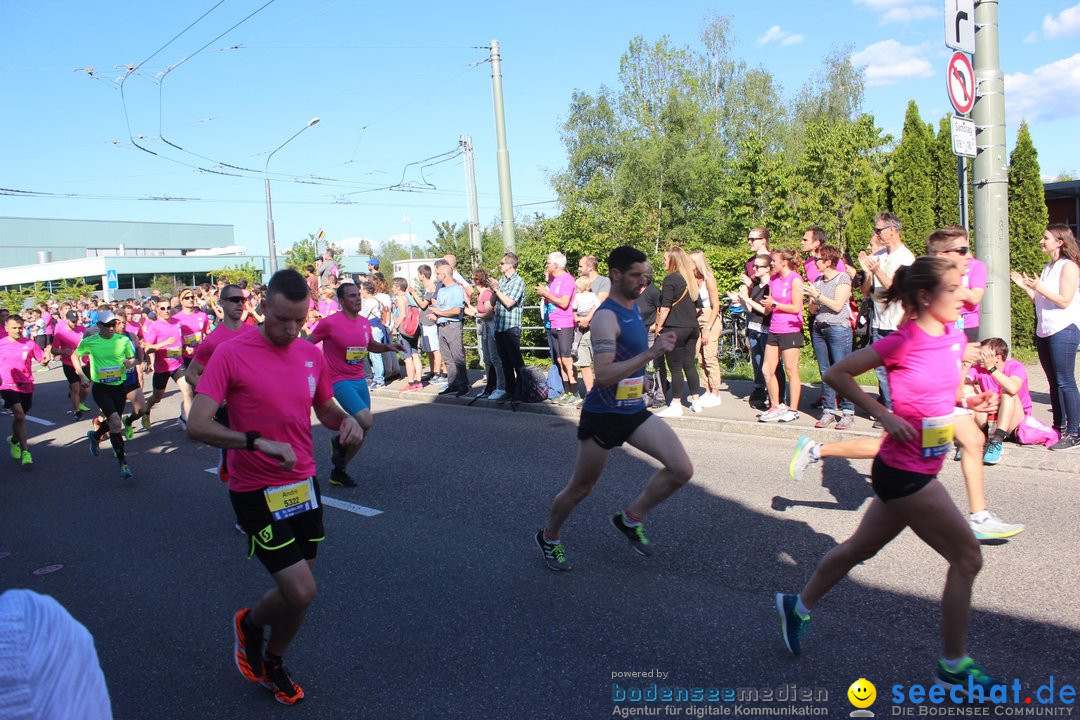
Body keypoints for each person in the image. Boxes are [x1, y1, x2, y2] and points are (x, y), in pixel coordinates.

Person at [776, 255, 1004, 696]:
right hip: (906, 473)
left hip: (916, 467)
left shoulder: (954, 338)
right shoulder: (901, 342)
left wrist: (967, 404)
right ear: (925, 296)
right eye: (955, 289)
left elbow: (942, 389)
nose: (965, 295)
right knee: (967, 558)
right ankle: (953, 665)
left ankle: (797, 606)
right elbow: (835, 373)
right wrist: (883, 413)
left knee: (858, 548)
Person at [187, 269, 363, 706]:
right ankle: (255, 634)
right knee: (301, 590)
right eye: (281, 319)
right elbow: (197, 424)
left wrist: (347, 421)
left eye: (298, 321)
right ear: (263, 306)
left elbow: (323, 406)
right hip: (254, 490)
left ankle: (271, 654)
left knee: (297, 593)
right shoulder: (231, 353)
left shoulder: (309, 353)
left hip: (302, 483)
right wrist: (253, 441)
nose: (289, 330)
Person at [536, 245, 689, 571]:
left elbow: (625, 364)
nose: (642, 281)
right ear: (616, 275)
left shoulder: (634, 308)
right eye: (636, 275)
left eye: (645, 275)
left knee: (681, 469)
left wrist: (641, 380)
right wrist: (651, 354)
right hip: (604, 415)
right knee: (581, 488)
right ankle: (549, 537)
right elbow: (603, 375)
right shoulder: (607, 316)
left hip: (632, 410)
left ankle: (631, 519)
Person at [308, 281, 405, 487]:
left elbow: (370, 346)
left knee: (363, 430)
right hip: (338, 380)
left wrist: (387, 347)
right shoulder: (330, 323)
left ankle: (339, 470)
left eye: (358, 295)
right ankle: (338, 444)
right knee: (366, 420)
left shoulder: (364, 322)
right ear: (341, 301)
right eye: (352, 296)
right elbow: (308, 344)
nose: (358, 298)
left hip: (359, 379)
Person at [1011, 224, 1080, 450]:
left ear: (1060, 242)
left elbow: (1064, 300)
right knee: (1053, 382)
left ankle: (1075, 432)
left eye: (1046, 238)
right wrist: (1027, 288)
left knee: (1065, 381)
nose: (1042, 241)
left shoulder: (1068, 266)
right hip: (1045, 329)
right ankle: (1058, 427)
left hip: (1064, 329)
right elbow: (1041, 301)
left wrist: (1039, 286)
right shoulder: (1048, 267)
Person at [186, 284, 250, 484]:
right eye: (234, 300)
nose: (239, 304)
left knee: (253, 445)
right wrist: (216, 396)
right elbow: (191, 374)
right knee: (241, 449)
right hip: (227, 405)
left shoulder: (253, 332)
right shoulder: (213, 341)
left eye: (242, 300)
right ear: (221, 304)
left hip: (251, 399)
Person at [861, 212, 916, 416]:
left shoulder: (906, 258)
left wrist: (877, 272)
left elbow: (898, 289)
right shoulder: (879, 256)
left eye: (879, 230)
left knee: (899, 369)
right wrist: (867, 273)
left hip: (897, 323)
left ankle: (898, 410)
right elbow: (866, 290)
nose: (876, 234)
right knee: (881, 370)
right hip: (879, 321)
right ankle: (888, 408)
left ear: (892, 230)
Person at [74, 311, 136, 479]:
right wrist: (82, 375)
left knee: (112, 423)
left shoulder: (122, 340)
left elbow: (132, 359)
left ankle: (95, 436)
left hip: (119, 387)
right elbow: (75, 356)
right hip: (101, 388)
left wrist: (129, 363)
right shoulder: (90, 341)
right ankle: (123, 463)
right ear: (99, 326)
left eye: (113, 324)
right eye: (107, 325)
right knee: (116, 422)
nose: (111, 328)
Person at [805, 245, 855, 429]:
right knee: (825, 372)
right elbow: (812, 310)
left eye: (818, 259)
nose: (815, 262)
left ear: (828, 261)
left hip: (838, 329)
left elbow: (837, 305)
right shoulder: (817, 281)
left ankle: (848, 411)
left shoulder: (843, 279)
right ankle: (828, 410)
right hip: (820, 328)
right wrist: (812, 299)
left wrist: (818, 296)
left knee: (842, 371)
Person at [965, 338, 1034, 465]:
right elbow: (959, 385)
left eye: (983, 354)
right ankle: (971, 436)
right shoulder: (978, 368)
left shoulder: (1015, 366)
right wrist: (966, 365)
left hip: (1015, 420)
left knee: (1007, 393)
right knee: (966, 388)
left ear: (997, 357)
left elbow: (1013, 388)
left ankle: (997, 441)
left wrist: (991, 368)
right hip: (990, 417)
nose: (980, 356)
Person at [730, 253, 782, 411]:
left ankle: (777, 397)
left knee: (771, 366)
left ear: (767, 269)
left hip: (766, 329)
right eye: (754, 266)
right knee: (758, 364)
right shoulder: (757, 286)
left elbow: (766, 311)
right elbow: (750, 309)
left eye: (758, 266)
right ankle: (763, 393)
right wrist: (742, 299)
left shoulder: (770, 287)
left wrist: (747, 298)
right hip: (753, 327)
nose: (754, 269)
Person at [655, 246, 702, 417]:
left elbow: (666, 306)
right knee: (689, 365)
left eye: (665, 259)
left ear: (673, 261)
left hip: (675, 328)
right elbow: (698, 307)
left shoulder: (670, 279)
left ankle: (676, 404)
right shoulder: (690, 279)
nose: (663, 262)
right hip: (692, 327)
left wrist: (659, 326)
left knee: (675, 368)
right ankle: (696, 401)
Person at [760, 249, 804, 423]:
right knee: (767, 369)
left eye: (774, 261)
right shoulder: (773, 280)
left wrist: (775, 304)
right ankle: (776, 405)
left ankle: (793, 410)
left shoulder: (795, 279)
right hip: (774, 328)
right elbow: (768, 307)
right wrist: (765, 306)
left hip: (790, 329)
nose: (772, 264)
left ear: (784, 262)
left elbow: (795, 308)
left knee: (791, 370)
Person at [1, 315, 48, 467]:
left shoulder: (29, 343)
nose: (18, 330)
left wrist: (45, 359)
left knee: (20, 417)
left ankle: (14, 440)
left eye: (20, 327)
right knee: (20, 416)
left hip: (26, 385)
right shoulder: (1, 344)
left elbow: (41, 358)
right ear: (6, 328)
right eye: (14, 327)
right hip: (7, 385)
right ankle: (26, 451)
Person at [925, 226, 985, 343]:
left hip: (966, 327)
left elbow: (975, 298)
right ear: (942, 255)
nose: (968, 256)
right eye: (961, 251)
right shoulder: (923, 283)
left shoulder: (976, 266)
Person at [142, 299, 189, 429]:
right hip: (162, 368)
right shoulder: (154, 326)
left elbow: (181, 341)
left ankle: (187, 420)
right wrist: (163, 344)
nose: (166, 310)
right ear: (157, 310)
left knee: (187, 391)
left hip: (178, 364)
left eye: (168, 307)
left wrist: (186, 348)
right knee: (157, 397)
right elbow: (147, 348)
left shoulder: (177, 323)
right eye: (162, 308)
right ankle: (146, 411)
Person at [537, 251, 577, 403]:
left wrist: (547, 294)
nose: (546, 265)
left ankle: (575, 392)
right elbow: (553, 302)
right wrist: (545, 297)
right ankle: (567, 392)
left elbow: (564, 303)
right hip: (553, 323)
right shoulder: (554, 281)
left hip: (565, 324)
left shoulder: (567, 279)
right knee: (559, 360)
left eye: (548, 263)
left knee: (567, 359)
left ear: (556, 264)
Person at [489, 252, 527, 402]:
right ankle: (510, 390)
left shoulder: (518, 281)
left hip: (511, 326)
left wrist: (497, 290)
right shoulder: (501, 281)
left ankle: (522, 391)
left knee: (516, 361)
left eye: (502, 263)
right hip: (499, 326)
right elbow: (493, 302)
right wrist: (493, 290)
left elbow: (510, 302)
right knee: (505, 362)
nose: (500, 265)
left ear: (510, 265)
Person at [690, 249, 722, 408]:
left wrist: (708, 328)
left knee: (710, 356)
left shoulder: (709, 279)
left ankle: (716, 393)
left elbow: (716, 306)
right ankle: (707, 390)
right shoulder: (692, 280)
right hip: (698, 318)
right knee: (700, 356)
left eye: (691, 262)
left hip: (711, 317)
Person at [432, 260, 469, 396]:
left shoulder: (456, 289)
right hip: (441, 326)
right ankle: (452, 384)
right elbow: (442, 308)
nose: (436, 275)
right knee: (447, 358)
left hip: (452, 325)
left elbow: (456, 310)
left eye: (438, 273)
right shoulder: (441, 289)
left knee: (457, 357)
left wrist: (439, 312)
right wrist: (436, 316)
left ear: (445, 275)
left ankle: (464, 385)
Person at [467, 267, 505, 400]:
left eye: (473, 278)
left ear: (478, 280)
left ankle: (501, 387)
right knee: (488, 360)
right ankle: (490, 386)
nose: (472, 280)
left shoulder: (487, 293)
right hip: (485, 328)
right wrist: (468, 307)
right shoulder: (480, 294)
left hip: (490, 328)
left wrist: (474, 314)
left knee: (494, 359)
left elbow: (489, 313)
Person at [636, 264, 668, 407]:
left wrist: (656, 325)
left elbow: (662, 309)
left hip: (650, 333)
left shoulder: (653, 291)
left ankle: (660, 395)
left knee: (655, 364)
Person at [50, 310, 92, 419]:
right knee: (75, 388)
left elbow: (90, 344)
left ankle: (80, 402)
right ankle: (76, 411)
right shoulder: (60, 333)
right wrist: (63, 352)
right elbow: (53, 350)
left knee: (86, 389)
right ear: (67, 320)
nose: (74, 323)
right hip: (69, 363)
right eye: (72, 321)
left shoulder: (83, 330)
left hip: (84, 363)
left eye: (76, 320)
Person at [409, 264, 444, 383]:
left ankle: (438, 372)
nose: (418, 276)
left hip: (430, 322)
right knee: (428, 348)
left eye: (419, 273)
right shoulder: (426, 287)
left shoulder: (430, 287)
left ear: (422, 275)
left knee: (435, 348)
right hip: (424, 322)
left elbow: (424, 304)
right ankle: (433, 371)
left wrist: (414, 293)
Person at [568, 274, 598, 403]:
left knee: (596, 363)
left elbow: (597, 307)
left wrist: (584, 319)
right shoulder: (590, 296)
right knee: (585, 363)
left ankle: (597, 392)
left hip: (591, 328)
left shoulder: (585, 296)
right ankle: (590, 393)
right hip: (584, 324)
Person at [390, 277, 424, 391]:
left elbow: (402, 315)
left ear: (398, 287)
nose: (392, 289)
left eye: (393, 287)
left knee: (407, 357)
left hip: (405, 330)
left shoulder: (401, 298)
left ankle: (411, 383)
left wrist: (395, 327)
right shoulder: (410, 297)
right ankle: (419, 382)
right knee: (415, 354)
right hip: (415, 329)